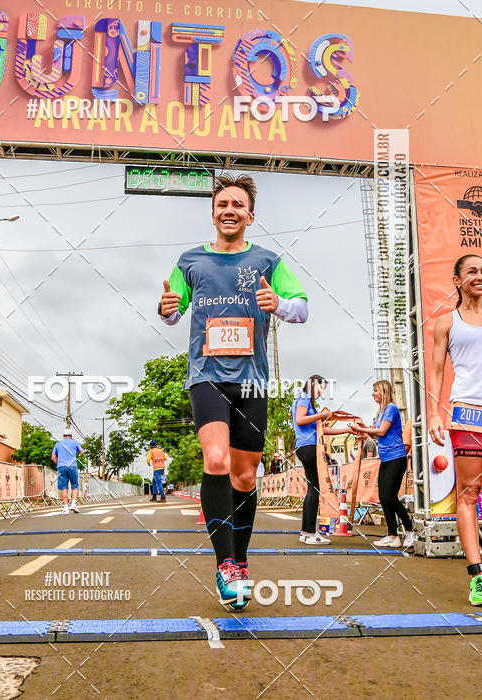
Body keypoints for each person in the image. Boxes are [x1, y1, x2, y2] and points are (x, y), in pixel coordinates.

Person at [159, 173, 308, 607]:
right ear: (213, 213)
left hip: (252, 381)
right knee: (217, 458)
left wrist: (279, 305)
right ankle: (225, 566)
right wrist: (167, 309)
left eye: (238, 204)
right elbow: (172, 309)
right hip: (205, 375)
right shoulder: (190, 261)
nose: (230, 210)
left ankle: (240, 559)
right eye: (223, 203)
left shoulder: (267, 261)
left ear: (250, 215)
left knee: (245, 476)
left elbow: (302, 307)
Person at [429, 254, 482, 605]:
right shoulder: (446, 322)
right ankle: (477, 577)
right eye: (472, 271)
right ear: (457, 280)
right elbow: (434, 372)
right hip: (468, 415)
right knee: (467, 494)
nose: (480, 276)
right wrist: (434, 413)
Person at [351, 381, 414, 549]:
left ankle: (409, 530)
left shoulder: (391, 408)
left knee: (390, 497)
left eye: (375, 390)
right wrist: (360, 429)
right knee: (384, 498)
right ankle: (392, 535)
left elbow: (381, 431)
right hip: (386, 459)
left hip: (396, 457)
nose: (372, 394)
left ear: (384, 391)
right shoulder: (379, 411)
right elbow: (373, 430)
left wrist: (364, 429)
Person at [292, 375, 354, 544]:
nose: (321, 393)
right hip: (308, 447)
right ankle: (311, 533)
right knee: (315, 489)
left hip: (307, 446)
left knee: (312, 488)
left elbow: (322, 430)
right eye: (321, 388)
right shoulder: (304, 397)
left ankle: (305, 531)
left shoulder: (307, 402)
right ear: (313, 385)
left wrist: (346, 430)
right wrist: (321, 415)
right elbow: (299, 419)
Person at [51, 428, 84, 514]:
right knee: (75, 486)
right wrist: (80, 454)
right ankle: (73, 504)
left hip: (61, 467)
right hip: (72, 466)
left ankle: (65, 508)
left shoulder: (58, 444)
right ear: (71, 436)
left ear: (63, 436)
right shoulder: (75, 442)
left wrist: (58, 464)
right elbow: (82, 451)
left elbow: (53, 457)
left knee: (63, 488)